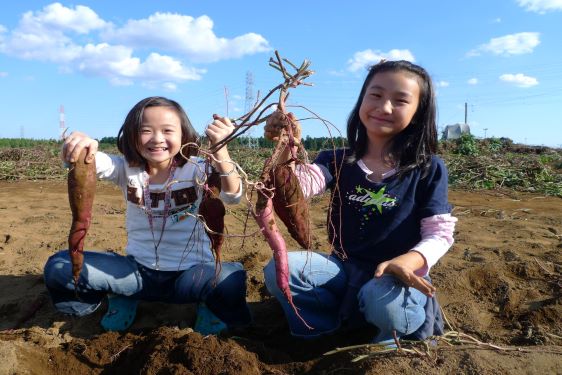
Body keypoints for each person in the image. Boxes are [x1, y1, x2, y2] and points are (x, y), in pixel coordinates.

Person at [263, 60, 457, 345]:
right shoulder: (337, 160)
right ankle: (320, 333)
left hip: (394, 276)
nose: (384, 107)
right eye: (375, 95)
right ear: (362, 100)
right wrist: (285, 149)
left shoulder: (427, 169)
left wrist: (408, 261)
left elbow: (439, 234)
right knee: (283, 268)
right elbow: (296, 191)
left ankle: (390, 340)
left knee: (384, 303)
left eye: (400, 100)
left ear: (418, 113)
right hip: (343, 269)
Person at [44, 96, 251, 334]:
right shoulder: (125, 169)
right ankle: (114, 298)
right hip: (137, 273)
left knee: (230, 278)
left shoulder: (197, 168)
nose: (157, 139)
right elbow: (89, 161)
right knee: (59, 267)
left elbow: (232, 195)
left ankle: (210, 307)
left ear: (183, 135)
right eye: (146, 131)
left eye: (167, 130)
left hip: (190, 276)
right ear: (132, 136)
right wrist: (79, 146)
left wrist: (221, 150)